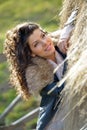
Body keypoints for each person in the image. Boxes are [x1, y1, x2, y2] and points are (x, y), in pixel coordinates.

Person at [4, 9, 78, 130]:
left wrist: (65, 34)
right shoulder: (35, 74)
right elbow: (64, 88)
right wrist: (72, 55)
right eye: (36, 44)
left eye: (43, 35)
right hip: (58, 114)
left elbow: (77, 13)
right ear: (31, 53)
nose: (45, 43)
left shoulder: (60, 41)